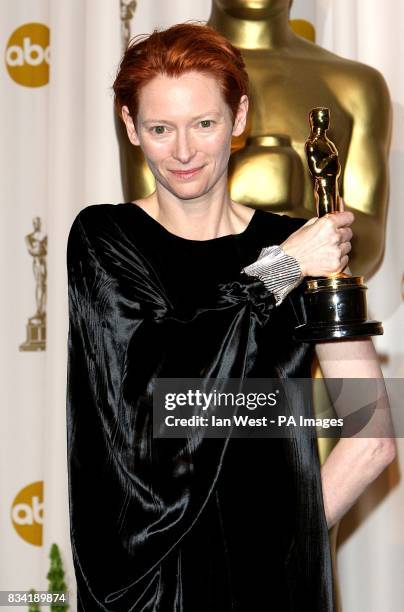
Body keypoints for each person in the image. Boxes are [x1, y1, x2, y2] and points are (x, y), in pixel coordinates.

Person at [66, 23, 395, 611]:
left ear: (239, 118)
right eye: (160, 128)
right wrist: (283, 268)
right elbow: (161, 389)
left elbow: (371, 434)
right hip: (152, 582)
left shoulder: (299, 243)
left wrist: (289, 543)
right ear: (129, 127)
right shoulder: (105, 239)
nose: (184, 151)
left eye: (204, 124)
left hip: (276, 585)